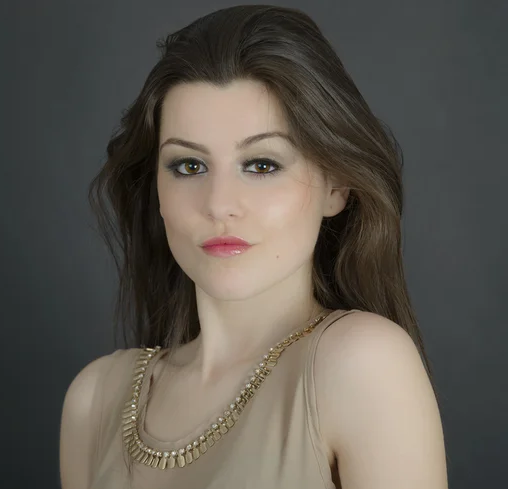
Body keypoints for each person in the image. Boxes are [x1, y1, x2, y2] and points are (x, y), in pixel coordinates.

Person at [59, 5, 448, 489]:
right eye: (188, 167)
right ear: (155, 189)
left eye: (262, 165)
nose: (220, 205)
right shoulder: (94, 400)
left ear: (337, 187)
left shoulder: (361, 365)